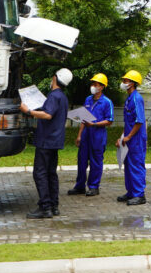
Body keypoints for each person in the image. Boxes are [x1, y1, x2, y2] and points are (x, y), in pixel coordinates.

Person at [21, 68, 71, 219]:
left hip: (46, 141)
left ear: (56, 78)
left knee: (40, 173)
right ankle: (54, 205)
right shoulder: (62, 97)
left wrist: (28, 111)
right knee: (51, 173)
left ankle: (45, 207)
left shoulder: (54, 96)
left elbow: (48, 114)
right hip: (54, 141)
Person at [68, 73, 114, 197]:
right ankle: (80, 186)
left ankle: (94, 187)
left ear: (102, 87)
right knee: (82, 161)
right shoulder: (88, 99)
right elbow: (83, 118)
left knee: (96, 161)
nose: (93, 86)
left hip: (98, 136)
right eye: (92, 84)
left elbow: (109, 121)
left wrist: (94, 124)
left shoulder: (107, 102)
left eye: (96, 84)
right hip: (86, 135)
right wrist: (79, 135)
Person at [116, 69, 147, 206]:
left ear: (133, 83)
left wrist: (129, 136)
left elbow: (139, 121)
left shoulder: (136, 98)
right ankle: (131, 192)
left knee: (136, 165)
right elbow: (128, 122)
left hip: (136, 139)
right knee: (128, 165)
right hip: (129, 138)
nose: (123, 83)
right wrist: (122, 137)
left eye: (126, 81)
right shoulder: (129, 99)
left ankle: (139, 195)